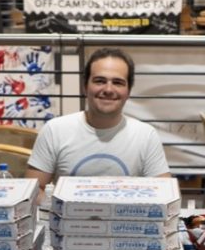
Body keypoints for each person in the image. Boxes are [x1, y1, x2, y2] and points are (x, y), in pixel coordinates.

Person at [26, 48, 170, 190]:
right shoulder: (54, 130)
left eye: (118, 82)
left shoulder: (146, 136)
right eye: (100, 81)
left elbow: (164, 193)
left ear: (128, 91)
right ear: (85, 86)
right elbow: (35, 191)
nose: (108, 89)